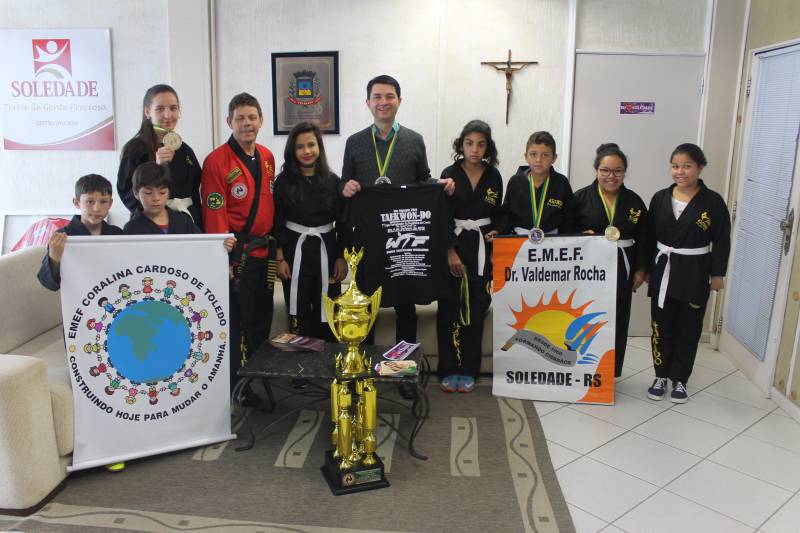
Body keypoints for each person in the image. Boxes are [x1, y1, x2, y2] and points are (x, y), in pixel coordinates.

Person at [340, 74, 454, 344]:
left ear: (399, 101)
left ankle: (404, 374)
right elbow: (345, 181)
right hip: (368, 237)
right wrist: (346, 187)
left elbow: (422, 179)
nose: (383, 102)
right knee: (367, 305)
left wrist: (441, 185)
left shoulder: (414, 140)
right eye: (377, 97)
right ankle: (364, 370)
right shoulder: (354, 142)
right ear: (367, 102)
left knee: (406, 305)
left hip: (402, 237)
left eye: (389, 96)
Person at [37, 174, 126, 472]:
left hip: (116, 323)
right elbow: (49, 283)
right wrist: (55, 256)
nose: (96, 207)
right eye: (89, 201)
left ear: (111, 203)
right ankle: (97, 448)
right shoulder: (64, 236)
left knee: (119, 380)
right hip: (78, 325)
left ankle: (121, 441)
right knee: (89, 384)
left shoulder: (118, 234)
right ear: (77, 203)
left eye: (103, 201)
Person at [201, 93, 276, 405]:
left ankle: (259, 379)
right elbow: (214, 213)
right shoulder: (216, 161)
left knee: (261, 319)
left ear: (260, 120)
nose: (247, 123)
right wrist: (225, 259)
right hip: (238, 257)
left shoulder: (267, 156)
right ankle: (237, 387)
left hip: (264, 252)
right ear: (229, 122)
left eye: (252, 117)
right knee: (237, 324)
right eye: (240, 118)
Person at [645, 143, 730, 403]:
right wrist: (646, 268)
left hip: (695, 270)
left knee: (689, 328)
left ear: (700, 168)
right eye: (675, 166)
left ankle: (680, 380)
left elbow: (722, 239)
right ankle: (661, 375)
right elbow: (649, 236)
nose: (680, 172)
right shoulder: (660, 198)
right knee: (661, 326)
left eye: (686, 166)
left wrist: (717, 274)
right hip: (663, 270)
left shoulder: (712, 202)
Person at [436, 120, 503, 393]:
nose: (475, 149)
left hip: (482, 250)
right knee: (450, 309)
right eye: (469, 143)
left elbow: (498, 212)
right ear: (461, 145)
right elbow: (441, 216)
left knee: (476, 308)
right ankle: (449, 369)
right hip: (454, 244)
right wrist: (450, 250)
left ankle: (469, 370)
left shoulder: (494, 176)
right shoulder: (449, 173)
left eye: (481, 144)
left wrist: (498, 234)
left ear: (488, 147)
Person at [574, 143, 648, 378]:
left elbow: (645, 237)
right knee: (586, 316)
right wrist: (579, 235)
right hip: (588, 269)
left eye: (617, 171)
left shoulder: (635, 202)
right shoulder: (580, 198)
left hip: (621, 266)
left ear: (624, 172)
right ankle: (583, 368)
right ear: (596, 170)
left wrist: (640, 269)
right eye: (605, 170)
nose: (611, 176)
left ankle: (610, 372)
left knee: (618, 317)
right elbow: (566, 231)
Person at [273, 122, 347, 339]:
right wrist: (279, 259)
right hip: (294, 254)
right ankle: (301, 370)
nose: (306, 151)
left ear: (319, 147)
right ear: (292, 150)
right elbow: (276, 221)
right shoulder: (283, 182)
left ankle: (327, 368)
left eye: (311, 145)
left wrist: (341, 257)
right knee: (299, 315)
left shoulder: (333, 181)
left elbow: (342, 222)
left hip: (327, 253)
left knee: (329, 315)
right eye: (300, 147)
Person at [118, 84, 203, 225]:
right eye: (160, 109)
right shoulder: (135, 149)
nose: (168, 115)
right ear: (147, 112)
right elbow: (126, 191)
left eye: (173, 108)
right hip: (153, 224)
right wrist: (155, 169)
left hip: (187, 223)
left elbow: (196, 191)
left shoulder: (185, 150)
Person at [498, 131, 575, 237]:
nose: (539, 160)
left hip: (552, 243)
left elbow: (569, 218)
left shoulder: (562, 183)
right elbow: (506, 215)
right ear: (526, 156)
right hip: (519, 241)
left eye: (545, 155)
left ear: (554, 158)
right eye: (533, 154)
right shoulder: (515, 182)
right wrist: (498, 231)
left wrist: (571, 240)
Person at [123, 162, 202, 235]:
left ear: (169, 193)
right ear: (136, 193)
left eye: (162, 192)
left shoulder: (184, 222)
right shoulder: (131, 228)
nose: (156, 198)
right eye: (148, 193)